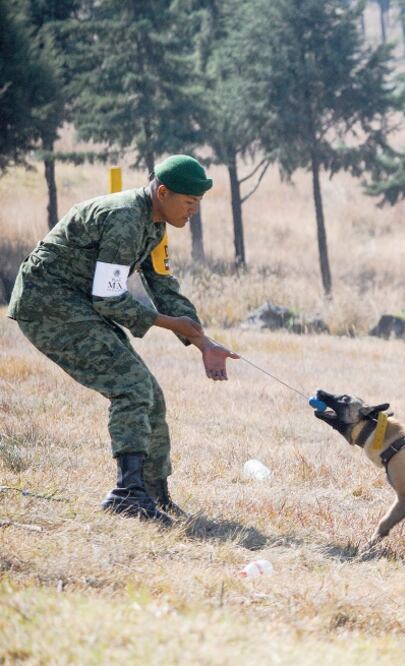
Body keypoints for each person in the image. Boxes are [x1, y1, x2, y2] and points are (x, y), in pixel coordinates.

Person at [7, 155, 238, 527]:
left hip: (77, 302)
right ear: (162, 192)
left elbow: (164, 289)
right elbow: (109, 299)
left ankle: (152, 495)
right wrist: (168, 323)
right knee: (130, 386)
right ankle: (128, 495)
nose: (194, 210)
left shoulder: (155, 225)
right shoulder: (127, 218)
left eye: (199, 203)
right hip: (48, 302)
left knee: (149, 392)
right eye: (189, 202)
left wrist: (204, 343)